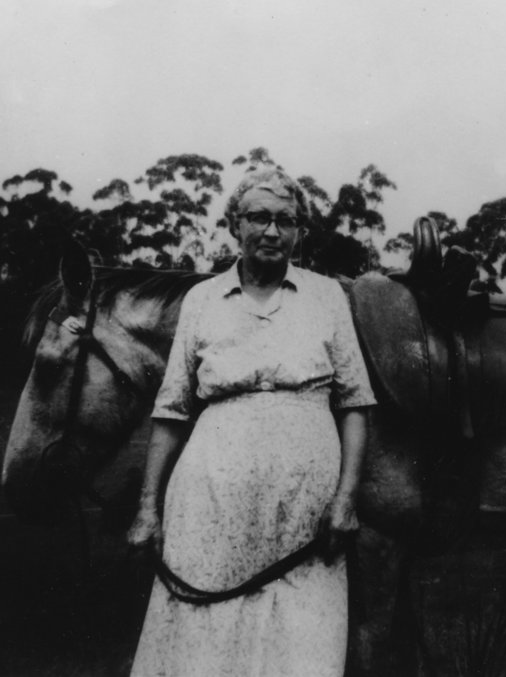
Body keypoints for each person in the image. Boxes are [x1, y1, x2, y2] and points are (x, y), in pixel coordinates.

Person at [127, 168, 376, 676]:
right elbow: (172, 411)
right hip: (209, 502)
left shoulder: (327, 297)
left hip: (304, 509)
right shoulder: (201, 301)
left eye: (286, 221)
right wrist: (148, 509)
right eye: (259, 218)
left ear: (300, 231)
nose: (272, 231)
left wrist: (346, 499)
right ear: (234, 225)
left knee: (300, 643)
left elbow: (355, 404)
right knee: (201, 641)